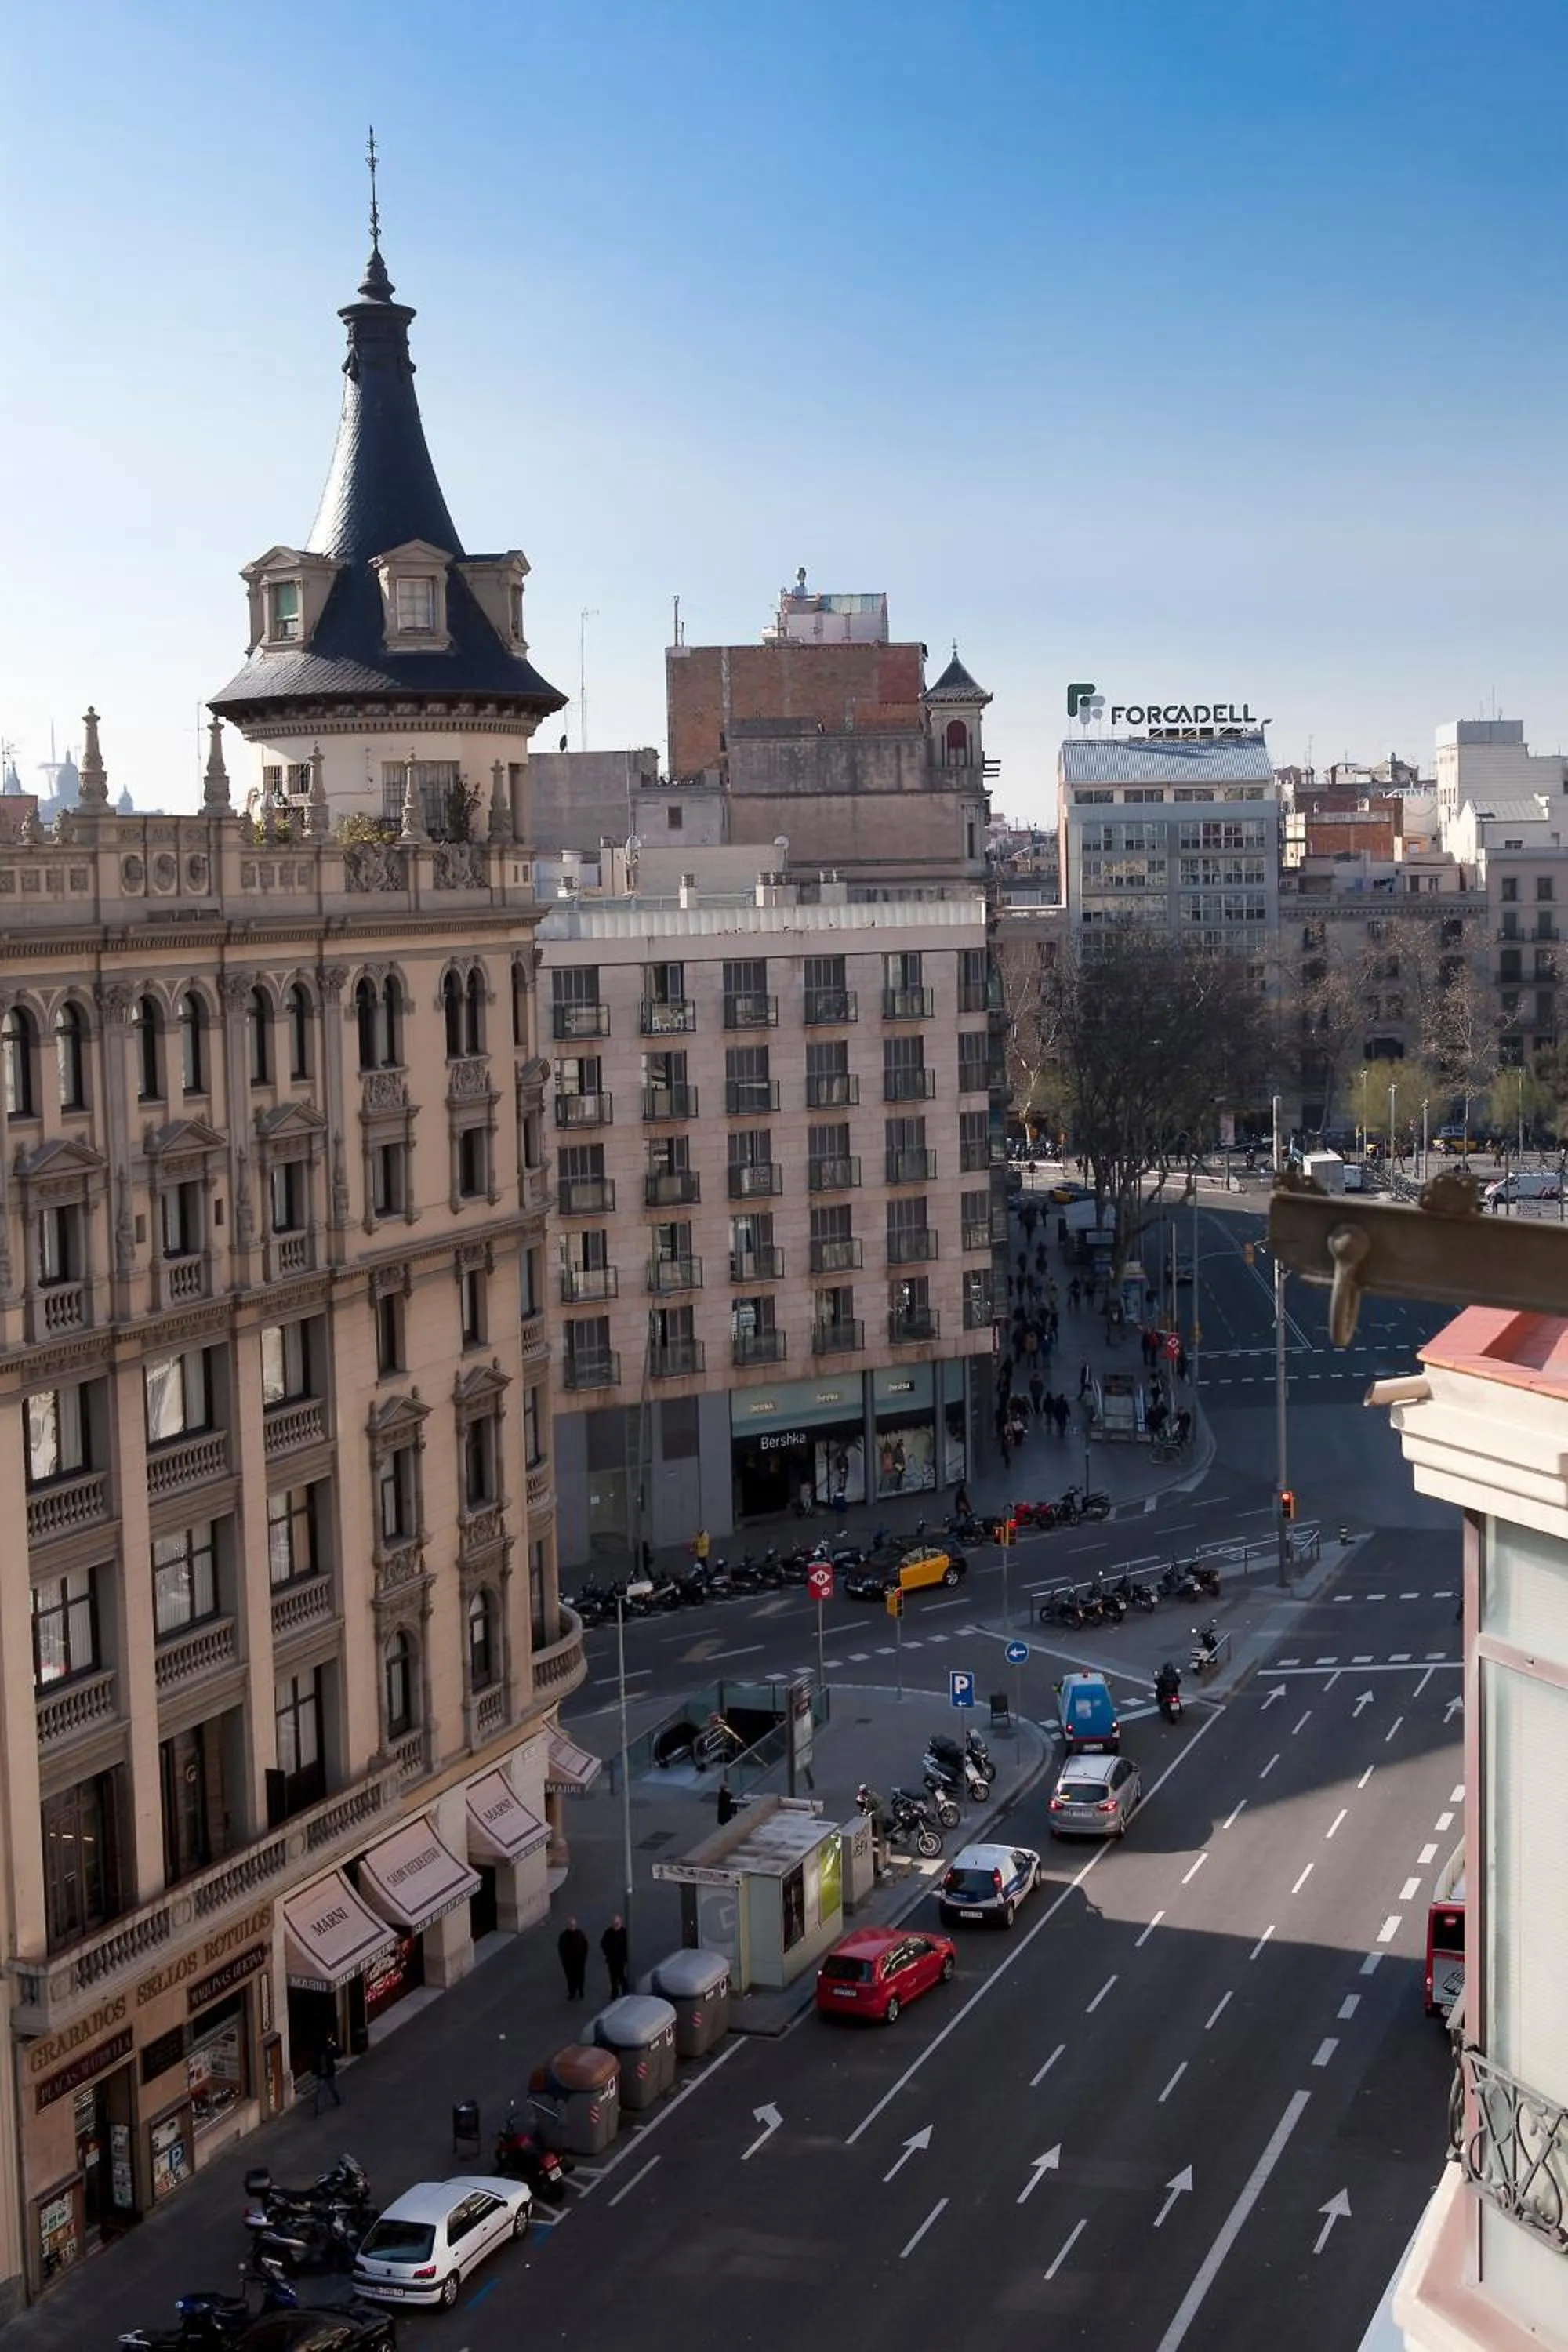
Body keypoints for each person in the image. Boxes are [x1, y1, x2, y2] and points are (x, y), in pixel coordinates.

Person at [557, 1917, 589, 2000]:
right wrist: (563, 1959)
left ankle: (581, 1990)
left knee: (580, 1977)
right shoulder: (564, 1936)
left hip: (579, 1961)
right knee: (570, 1978)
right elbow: (561, 1948)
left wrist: (583, 1958)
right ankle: (572, 1992)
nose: (572, 1927)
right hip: (568, 1962)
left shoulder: (580, 1934)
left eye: (573, 1925)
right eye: (571, 1925)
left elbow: (585, 1947)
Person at [313, 2031, 343, 2114]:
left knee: (327, 2089)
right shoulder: (326, 2048)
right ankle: (319, 2108)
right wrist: (335, 2046)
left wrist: (335, 2046)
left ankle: (337, 2100)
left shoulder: (325, 2048)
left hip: (325, 2073)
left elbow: (338, 2055)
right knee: (328, 2089)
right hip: (325, 2073)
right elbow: (338, 2055)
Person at [601, 1915, 630, 1999]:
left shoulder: (624, 1932)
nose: (615, 1926)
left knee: (621, 1976)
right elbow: (603, 1943)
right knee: (613, 1978)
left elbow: (627, 1945)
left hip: (620, 1959)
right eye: (614, 1924)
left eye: (617, 1924)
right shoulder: (609, 1932)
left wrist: (625, 1957)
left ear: (620, 1923)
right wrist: (607, 1953)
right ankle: (615, 1993)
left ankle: (625, 1992)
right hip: (612, 1959)